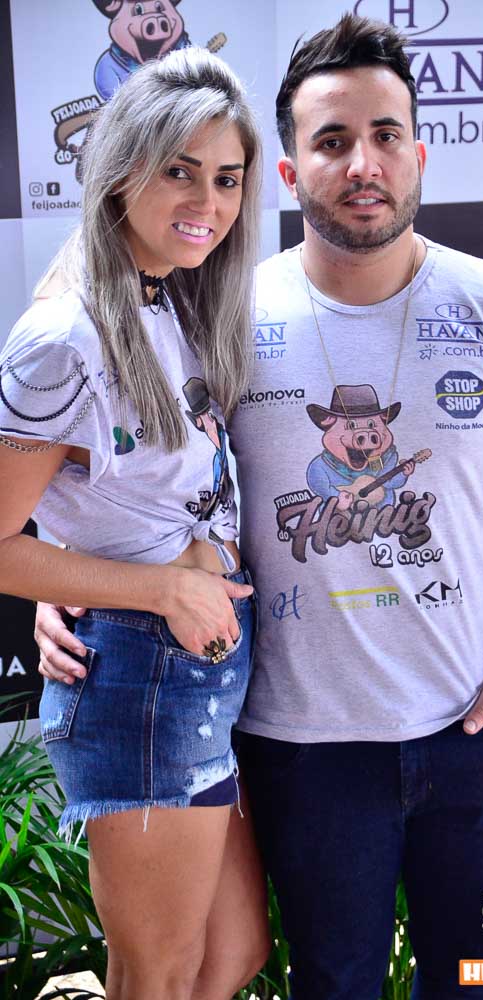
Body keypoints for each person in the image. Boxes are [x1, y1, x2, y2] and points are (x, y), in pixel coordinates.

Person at [35, 14, 483, 1000]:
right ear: (291, 173)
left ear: (419, 154)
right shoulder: (217, 317)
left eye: (385, 135)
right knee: (333, 984)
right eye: (332, 141)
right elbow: (130, 479)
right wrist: (71, 585)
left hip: (472, 731)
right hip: (298, 744)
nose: (363, 163)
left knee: (473, 979)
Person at [0, 47, 269, 1000]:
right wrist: (159, 588)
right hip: (141, 676)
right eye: (179, 171)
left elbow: (95, 502)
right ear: (121, 171)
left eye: (227, 177)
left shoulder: (172, 293)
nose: (208, 201)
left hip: (197, 668)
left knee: (231, 956)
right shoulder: (64, 338)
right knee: (157, 976)